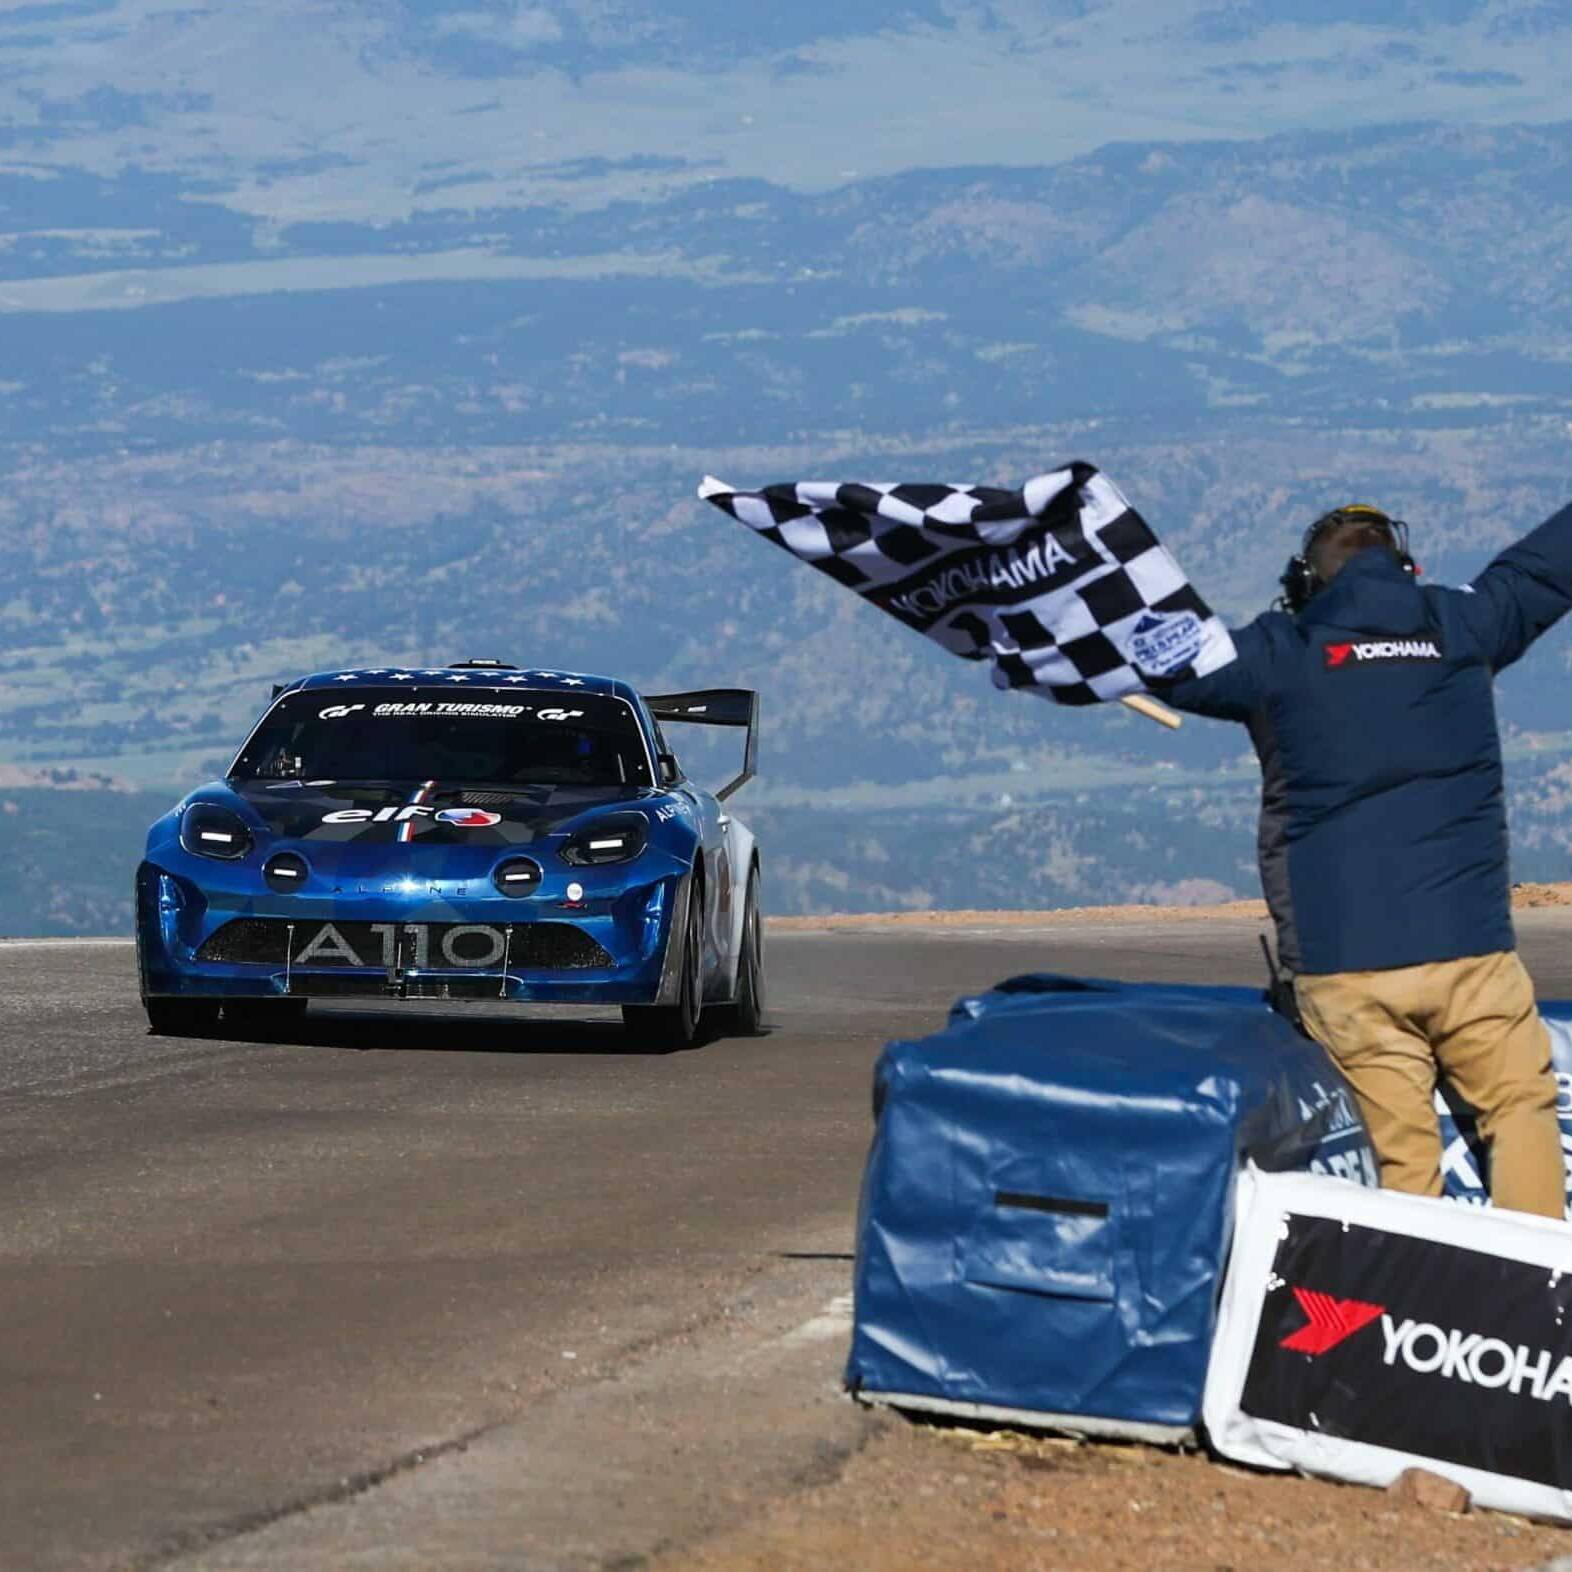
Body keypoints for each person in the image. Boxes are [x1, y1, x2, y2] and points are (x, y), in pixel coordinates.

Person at [1163, 499, 1572, 1217]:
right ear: (1404, 565)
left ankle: (1414, 1300)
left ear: (1309, 582)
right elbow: (1546, 564)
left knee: (1401, 1156)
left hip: (1346, 966)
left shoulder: (1279, 652)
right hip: (1468, 950)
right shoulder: (1461, 624)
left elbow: (1163, 660)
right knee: (1519, 1108)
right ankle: (1541, 1301)